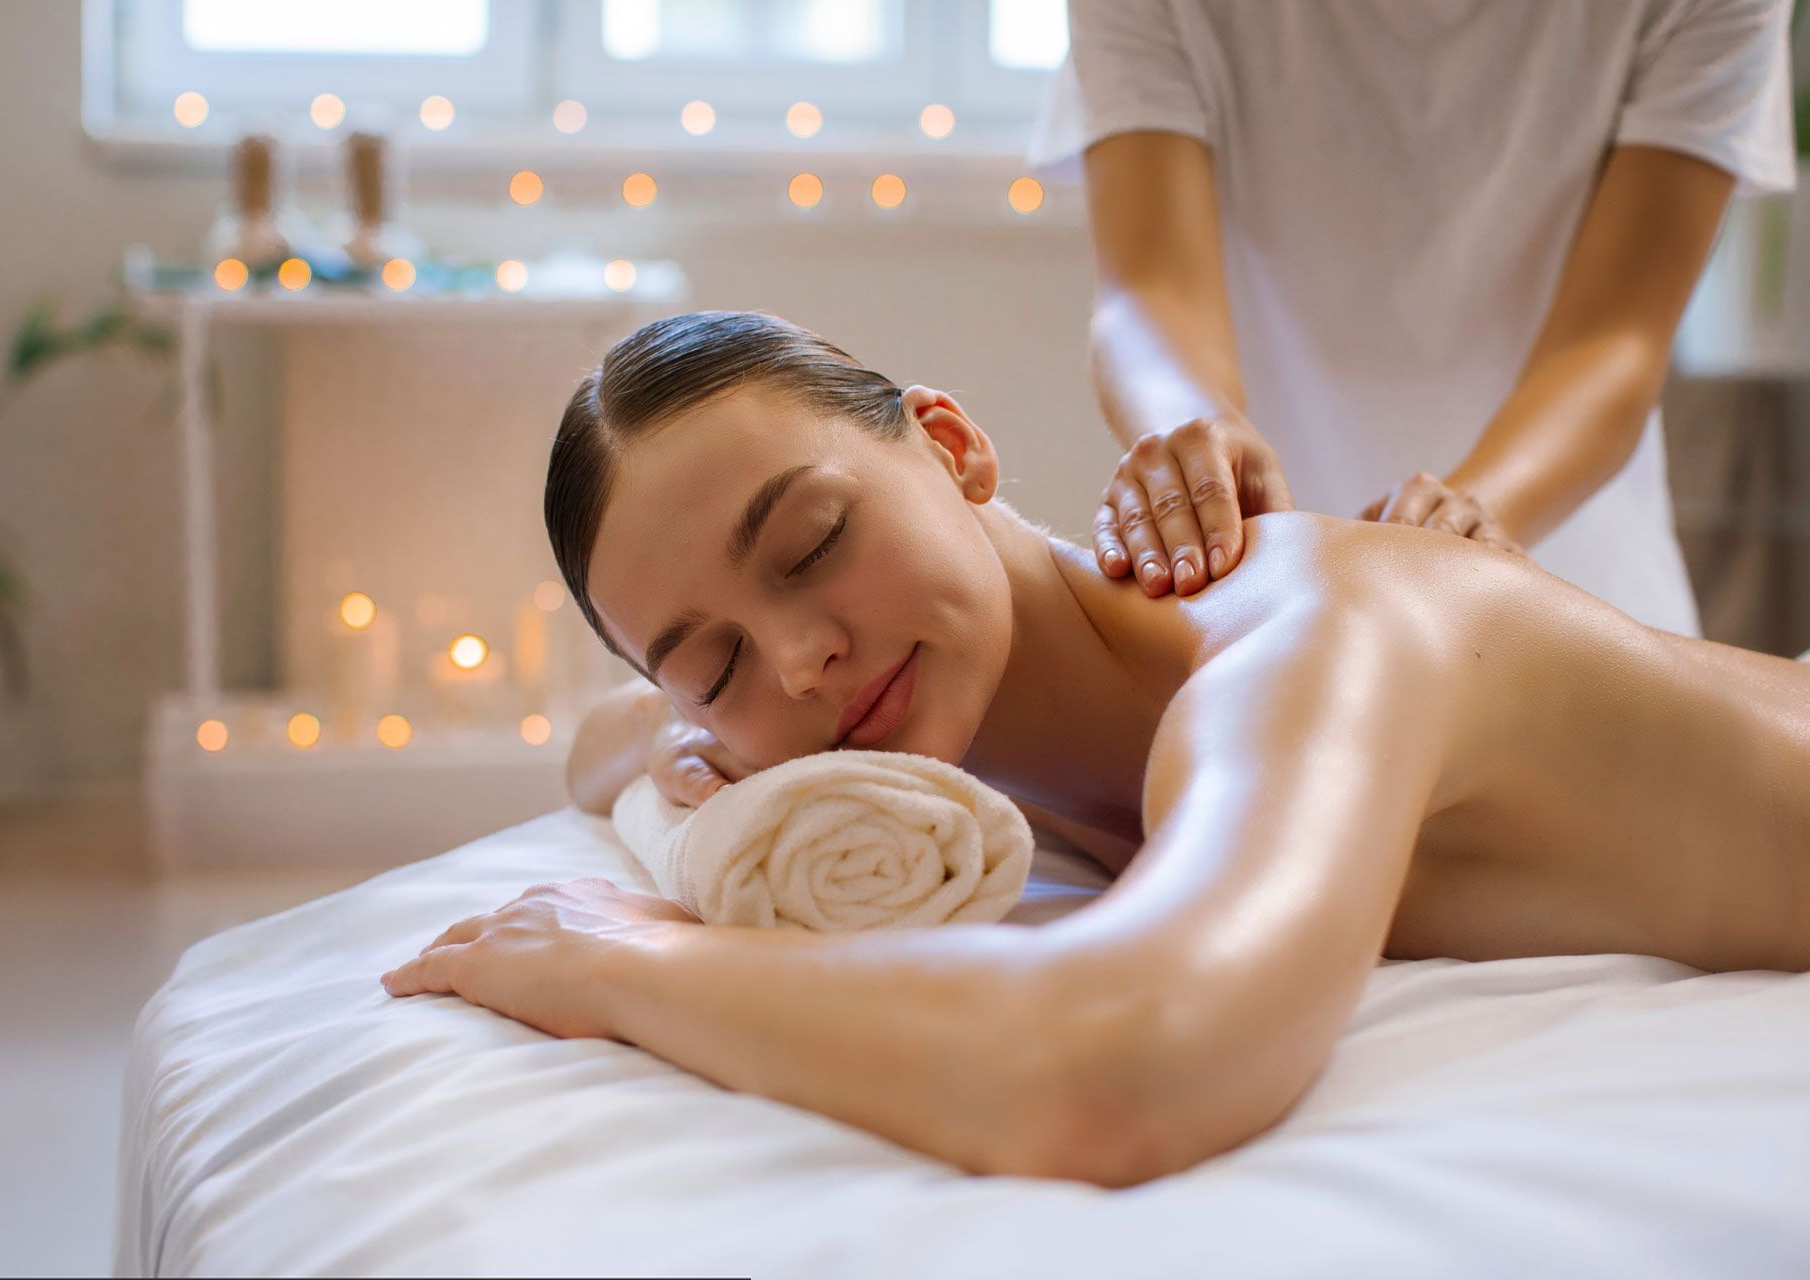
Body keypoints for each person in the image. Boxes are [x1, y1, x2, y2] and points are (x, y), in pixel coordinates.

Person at [383, 313, 1809, 1189]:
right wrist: (686, 738)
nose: (801, 657)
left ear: (953, 447)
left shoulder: (1303, 638)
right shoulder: (890, 716)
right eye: (714, 662)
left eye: (813, 544)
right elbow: (607, 743)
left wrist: (628, 965)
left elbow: (1131, 1065)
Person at [1038, 0, 1798, 636]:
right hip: (1249, 599)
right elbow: (1149, 291)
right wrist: (1191, 440)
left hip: (1579, 604)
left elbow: (1617, 340)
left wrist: (1462, 528)